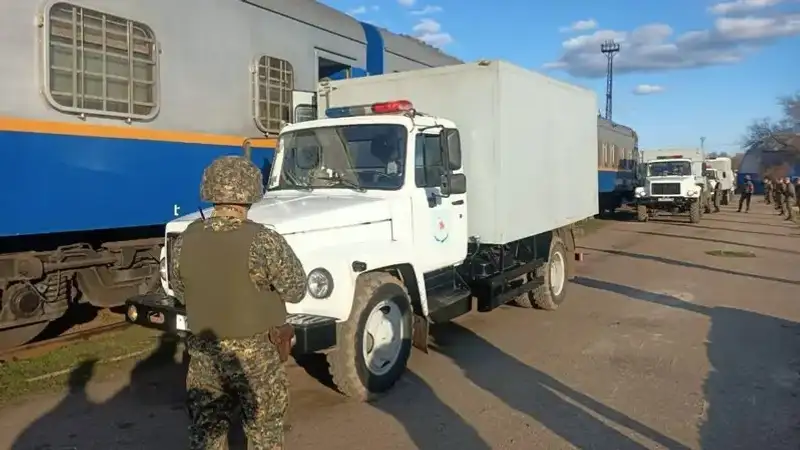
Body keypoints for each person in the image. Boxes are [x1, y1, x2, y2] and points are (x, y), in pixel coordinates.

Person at [169, 155, 307, 449]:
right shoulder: (264, 241)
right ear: (251, 191)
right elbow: (296, 290)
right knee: (264, 433)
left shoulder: (185, 240)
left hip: (205, 355)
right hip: (257, 359)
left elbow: (181, 292)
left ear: (210, 188)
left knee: (207, 433)